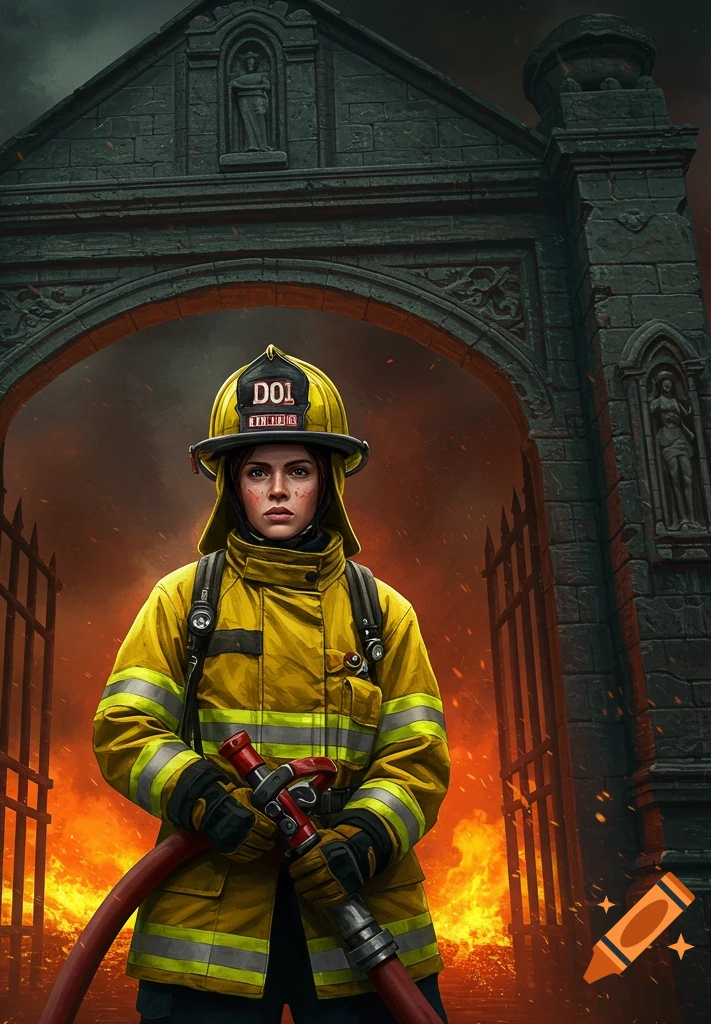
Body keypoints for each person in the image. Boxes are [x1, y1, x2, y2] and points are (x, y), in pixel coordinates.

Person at [92, 346, 451, 1023]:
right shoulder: (182, 601)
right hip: (210, 934)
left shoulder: (383, 614)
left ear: (329, 483)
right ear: (232, 485)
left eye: (298, 470)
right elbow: (123, 730)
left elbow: (419, 756)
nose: (279, 490)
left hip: (358, 917)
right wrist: (206, 802)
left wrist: (366, 838)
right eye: (258, 471)